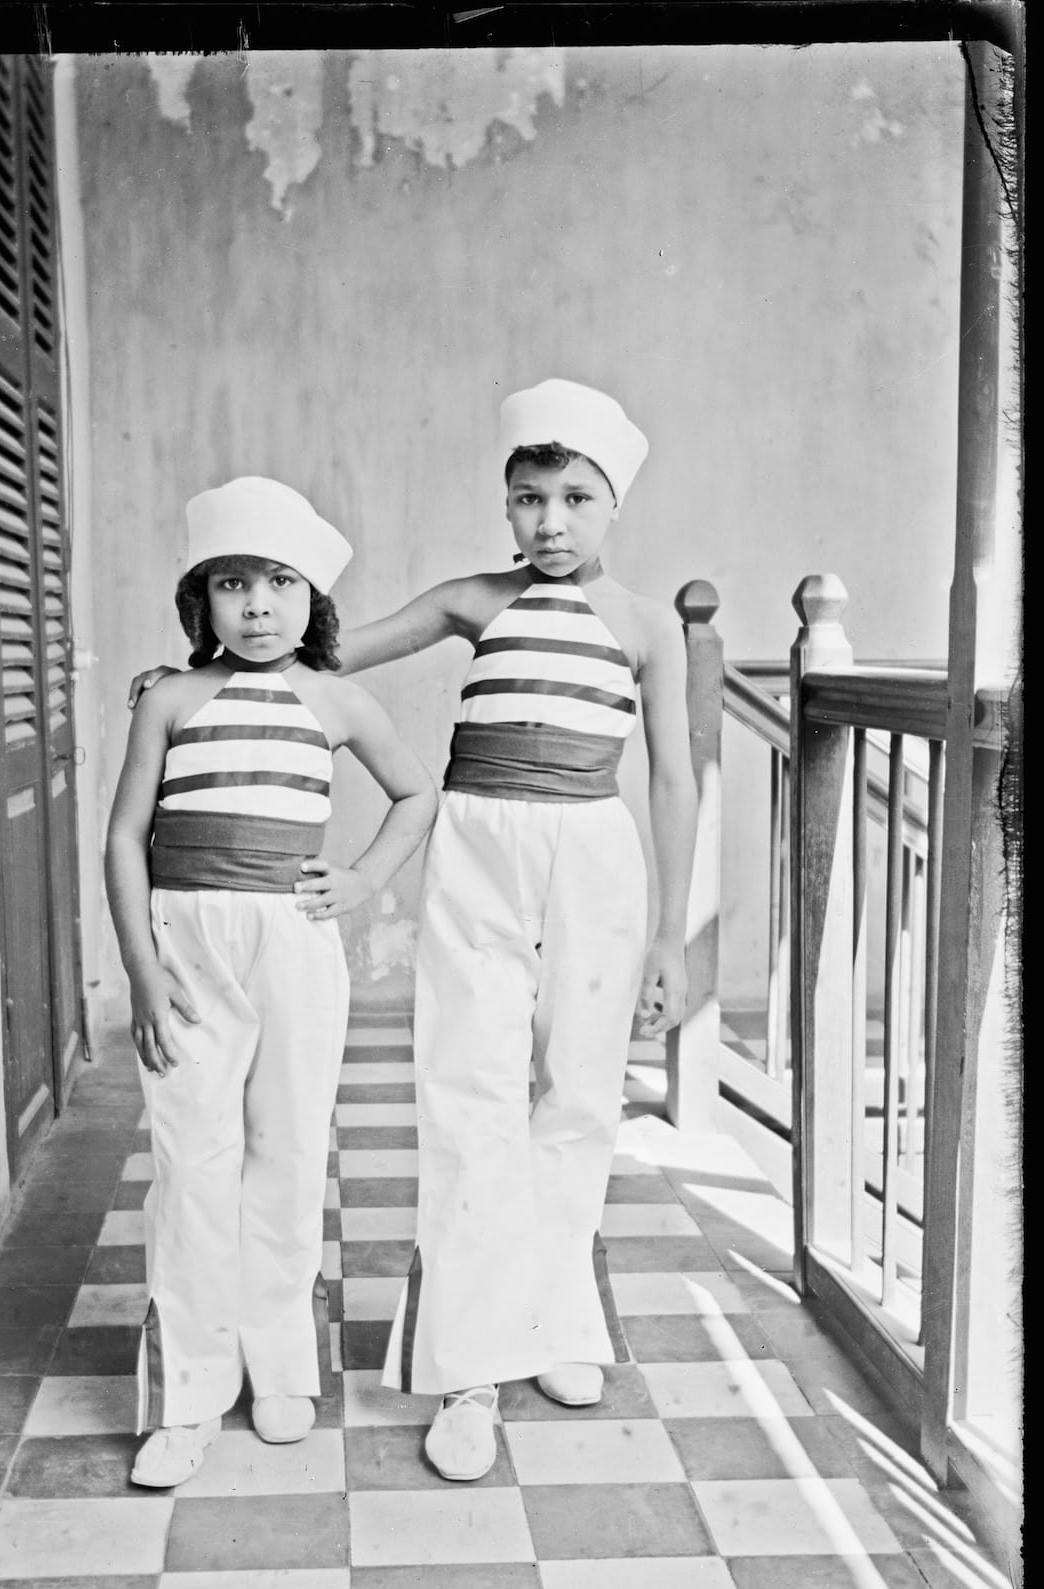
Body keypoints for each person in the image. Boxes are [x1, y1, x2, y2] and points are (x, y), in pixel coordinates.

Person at [127, 381, 696, 1482]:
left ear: (612, 504)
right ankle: (469, 1370)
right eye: (528, 498)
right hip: (480, 848)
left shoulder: (641, 627)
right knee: (469, 1091)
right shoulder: (471, 600)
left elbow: (670, 776)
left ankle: (557, 1323)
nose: (550, 523)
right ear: (503, 504)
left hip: (592, 851)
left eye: (576, 498)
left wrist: (669, 934)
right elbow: (318, 657)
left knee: (577, 1093)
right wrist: (191, 680)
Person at [106, 475, 436, 1489]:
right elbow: (124, 836)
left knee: (287, 1152)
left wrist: (366, 877)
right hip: (189, 947)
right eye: (233, 585)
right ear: (199, 602)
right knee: (193, 1161)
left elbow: (415, 792)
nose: (256, 606)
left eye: (279, 584)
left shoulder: (333, 698)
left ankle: (281, 1363)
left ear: (313, 601)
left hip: (292, 943)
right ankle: (188, 1392)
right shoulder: (170, 696)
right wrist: (143, 972)